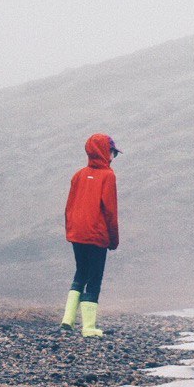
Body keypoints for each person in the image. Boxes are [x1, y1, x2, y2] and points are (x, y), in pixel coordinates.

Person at [60, 133, 120, 337]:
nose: (113, 157)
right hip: (96, 234)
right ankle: (88, 327)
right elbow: (110, 211)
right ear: (105, 152)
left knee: (81, 273)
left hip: (77, 233)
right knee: (94, 277)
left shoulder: (78, 175)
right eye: (112, 152)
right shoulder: (108, 176)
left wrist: (70, 230)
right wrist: (113, 239)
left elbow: (69, 206)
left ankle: (67, 320)